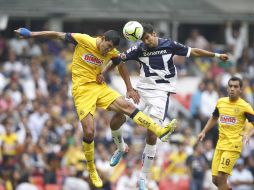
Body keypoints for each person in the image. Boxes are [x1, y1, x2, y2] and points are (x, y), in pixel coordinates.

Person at [14, 27, 176, 188]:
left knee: (126, 106)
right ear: (102, 38)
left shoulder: (111, 52)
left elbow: (121, 65)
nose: (108, 51)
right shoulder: (83, 39)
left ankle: (159, 130)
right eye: (107, 46)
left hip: (99, 87)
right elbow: (56, 34)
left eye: (111, 48)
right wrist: (31, 34)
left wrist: (129, 88)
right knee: (89, 131)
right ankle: (92, 169)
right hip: (82, 91)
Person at [97, 23, 228, 190]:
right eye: (142, 39)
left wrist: (216, 55)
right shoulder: (139, 48)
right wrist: (103, 73)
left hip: (161, 94)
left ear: (154, 33)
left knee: (152, 135)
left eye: (147, 38)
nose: (145, 42)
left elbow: (193, 51)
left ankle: (143, 178)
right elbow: (117, 60)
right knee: (117, 117)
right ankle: (121, 147)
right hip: (142, 91)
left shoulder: (169, 45)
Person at [198, 76, 254, 190]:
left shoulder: (244, 106)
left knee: (221, 177)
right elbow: (214, 117)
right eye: (230, 86)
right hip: (220, 145)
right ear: (227, 88)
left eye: (235, 86)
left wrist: (248, 134)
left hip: (233, 146)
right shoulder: (221, 102)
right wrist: (204, 131)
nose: (232, 88)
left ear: (241, 90)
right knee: (215, 180)